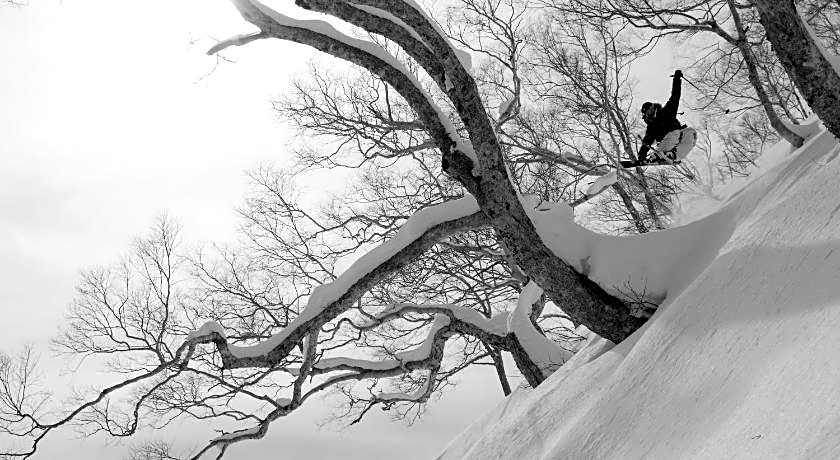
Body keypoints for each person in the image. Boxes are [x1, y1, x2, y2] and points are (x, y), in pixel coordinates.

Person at [636, 69, 697, 165]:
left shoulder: (666, 111)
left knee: (691, 132)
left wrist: (676, 79)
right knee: (673, 134)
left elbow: (675, 96)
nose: (651, 113)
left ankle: (674, 155)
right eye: (648, 113)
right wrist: (641, 157)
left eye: (651, 110)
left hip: (679, 137)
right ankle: (658, 155)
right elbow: (647, 142)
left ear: (653, 107)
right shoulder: (652, 126)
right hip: (666, 141)